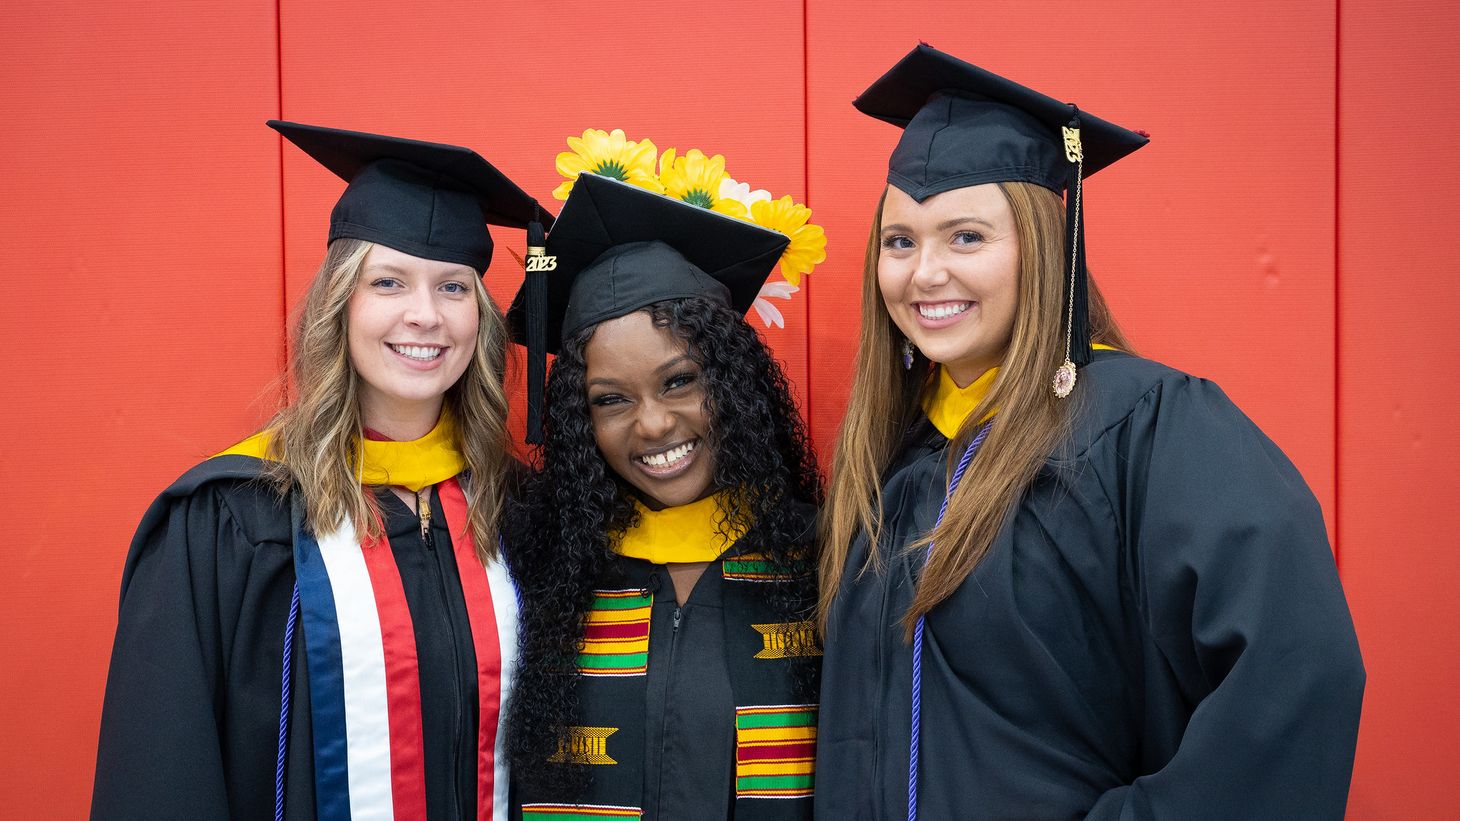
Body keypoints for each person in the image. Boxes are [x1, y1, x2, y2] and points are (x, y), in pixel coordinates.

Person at [813, 45, 1365, 820]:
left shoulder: (1145, 427)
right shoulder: (891, 462)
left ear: (1045, 248)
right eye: (900, 241)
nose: (924, 273)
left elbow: (1297, 667)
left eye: (965, 237)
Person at [91, 121, 550, 821]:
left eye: (453, 288)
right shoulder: (231, 518)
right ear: (341, 304)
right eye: (389, 281)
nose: (424, 315)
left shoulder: (516, 513)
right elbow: (163, 766)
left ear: (480, 319)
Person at [504, 173, 823, 821]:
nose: (651, 424)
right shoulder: (533, 574)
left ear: (735, 384)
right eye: (611, 399)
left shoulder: (827, 565)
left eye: (679, 381)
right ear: (579, 420)